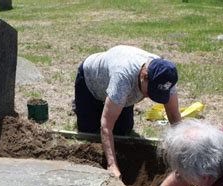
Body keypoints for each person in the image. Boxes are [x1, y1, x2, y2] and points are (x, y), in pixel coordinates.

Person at [74, 45, 182, 178]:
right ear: (144, 75)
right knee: (88, 132)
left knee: (123, 131)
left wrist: (182, 152)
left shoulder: (165, 76)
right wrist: (112, 165)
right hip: (90, 84)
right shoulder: (123, 76)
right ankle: (85, 106)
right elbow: (106, 125)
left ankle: (112, 103)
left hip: (124, 94)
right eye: (151, 92)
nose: (150, 97)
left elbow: (173, 114)